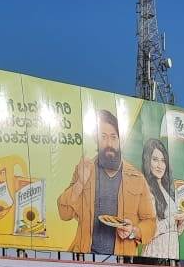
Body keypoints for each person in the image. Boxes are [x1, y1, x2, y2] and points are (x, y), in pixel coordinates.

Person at [57, 109, 156, 256]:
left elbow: (151, 223)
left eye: (113, 137)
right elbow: (64, 214)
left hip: (121, 265)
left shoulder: (137, 177)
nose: (109, 143)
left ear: (120, 140)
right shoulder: (84, 169)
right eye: (103, 137)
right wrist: (80, 183)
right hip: (84, 260)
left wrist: (133, 232)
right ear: (97, 139)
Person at [140, 138, 184, 259]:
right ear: (147, 161)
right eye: (155, 160)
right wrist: (172, 219)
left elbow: (172, 233)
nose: (160, 166)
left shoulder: (168, 192)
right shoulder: (145, 191)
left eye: (163, 161)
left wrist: (180, 223)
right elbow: (148, 232)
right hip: (153, 258)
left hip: (172, 257)